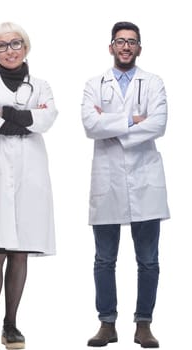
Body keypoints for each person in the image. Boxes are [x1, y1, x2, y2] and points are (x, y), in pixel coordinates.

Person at [0, 22, 57, 350]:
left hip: (30, 175)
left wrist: (3, 113)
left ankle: (12, 324)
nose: (9, 50)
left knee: (20, 253)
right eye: (1, 45)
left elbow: (47, 119)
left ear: (26, 47)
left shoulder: (41, 85)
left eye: (15, 43)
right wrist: (24, 119)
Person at [81, 21, 168, 349]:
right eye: (121, 41)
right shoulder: (94, 84)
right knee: (104, 259)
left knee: (148, 260)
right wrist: (133, 119)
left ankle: (143, 324)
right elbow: (90, 125)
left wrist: (111, 122)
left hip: (146, 180)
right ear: (111, 47)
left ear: (139, 48)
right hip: (108, 180)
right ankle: (107, 324)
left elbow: (158, 125)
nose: (126, 47)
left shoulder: (154, 82)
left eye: (132, 42)